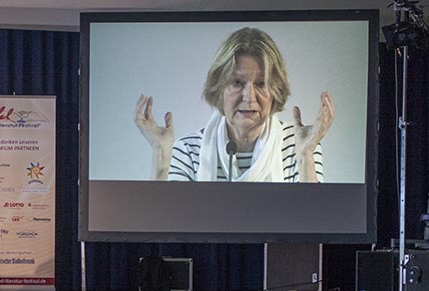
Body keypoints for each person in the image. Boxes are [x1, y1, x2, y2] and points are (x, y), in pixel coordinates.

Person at [135, 27, 331, 183]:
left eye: (261, 84)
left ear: (275, 90)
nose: (249, 97)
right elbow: (166, 227)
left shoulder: (298, 144)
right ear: (219, 88)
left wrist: (305, 155)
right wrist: (160, 153)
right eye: (237, 83)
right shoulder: (187, 150)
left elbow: (314, 228)